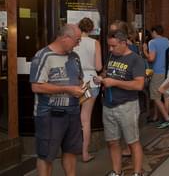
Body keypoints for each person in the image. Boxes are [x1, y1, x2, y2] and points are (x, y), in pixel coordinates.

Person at [30, 24, 85, 176]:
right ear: (65, 38)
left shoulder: (74, 57)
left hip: (73, 112)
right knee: (46, 156)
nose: (78, 44)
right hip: (49, 115)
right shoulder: (43, 56)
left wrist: (81, 88)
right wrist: (67, 89)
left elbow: (79, 80)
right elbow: (36, 86)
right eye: (77, 40)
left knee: (71, 151)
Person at [98, 29, 146, 176]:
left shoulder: (135, 60)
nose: (111, 49)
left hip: (127, 106)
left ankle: (137, 172)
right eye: (109, 46)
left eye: (114, 46)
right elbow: (107, 72)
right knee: (112, 141)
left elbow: (139, 85)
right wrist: (102, 77)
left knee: (132, 141)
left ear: (124, 43)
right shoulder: (112, 56)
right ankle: (116, 172)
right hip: (108, 105)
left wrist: (115, 82)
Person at [73, 17, 103, 163]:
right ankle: (85, 153)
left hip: (74, 82)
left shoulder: (74, 41)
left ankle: (69, 151)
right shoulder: (95, 43)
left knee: (71, 117)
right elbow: (98, 67)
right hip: (91, 82)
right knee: (86, 120)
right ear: (91, 29)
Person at [142, 25, 169, 129]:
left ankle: (167, 118)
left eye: (152, 33)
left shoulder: (153, 42)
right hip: (167, 71)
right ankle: (160, 117)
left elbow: (151, 58)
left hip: (157, 71)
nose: (151, 35)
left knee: (155, 96)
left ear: (154, 32)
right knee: (165, 96)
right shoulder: (167, 40)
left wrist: (145, 51)